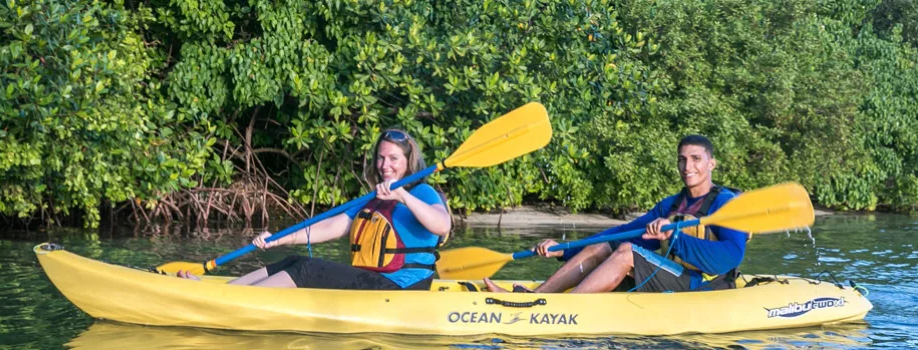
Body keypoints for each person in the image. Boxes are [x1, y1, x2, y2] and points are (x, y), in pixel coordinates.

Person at [180, 129, 451, 290]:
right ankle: (225, 291)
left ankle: (230, 301)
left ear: (408, 162)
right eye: (380, 157)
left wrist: (403, 195)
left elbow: (443, 226)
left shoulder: (421, 192)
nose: (385, 165)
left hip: (403, 286)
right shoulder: (372, 200)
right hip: (374, 280)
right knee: (294, 261)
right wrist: (275, 240)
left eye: (393, 158)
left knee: (308, 268)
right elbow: (328, 228)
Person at [485, 134, 747, 293]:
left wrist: (675, 236)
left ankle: (563, 308)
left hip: (703, 283)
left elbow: (731, 257)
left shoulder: (726, 204)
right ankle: (538, 297)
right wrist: (564, 249)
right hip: (676, 275)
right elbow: (623, 233)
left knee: (626, 252)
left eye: (696, 158)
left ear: (711, 163)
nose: (688, 166)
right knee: (607, 246)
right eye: (682, 159)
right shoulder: (671, 204)